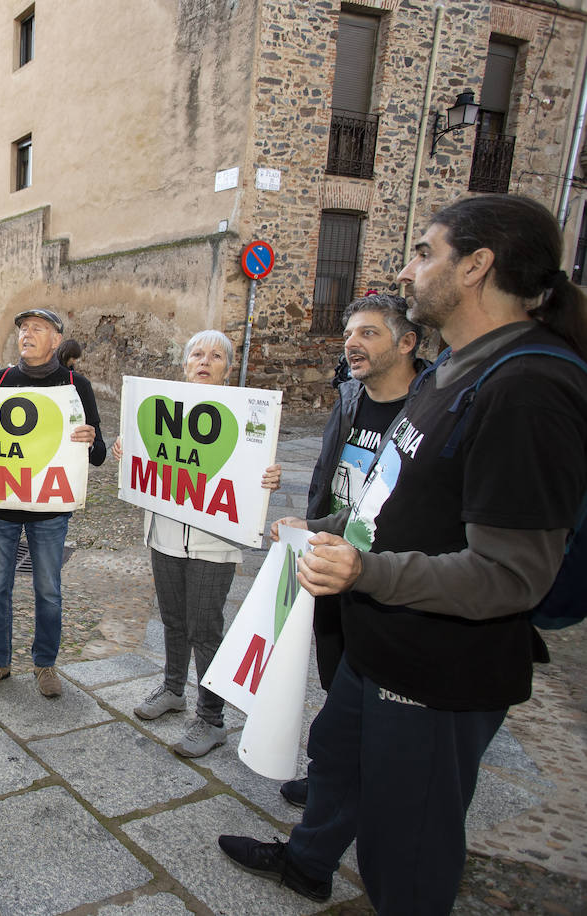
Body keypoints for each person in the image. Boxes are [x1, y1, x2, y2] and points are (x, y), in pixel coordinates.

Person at [219, 194, 587, 914]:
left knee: (405, 849)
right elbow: (392, 499)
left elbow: (511, 574)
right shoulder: (453, 372)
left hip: (438, 671)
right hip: (379, 644)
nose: (408, 267)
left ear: (477, 266)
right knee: (335, 761)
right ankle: (309, 862)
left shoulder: (528, 389)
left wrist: (366, 571)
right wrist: (324, 525)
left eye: (425, 252)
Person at [281, 293, 423, 807]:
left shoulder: (424, 411)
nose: (352, 344)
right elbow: (331, 481)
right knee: (335, 678)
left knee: (366, 693)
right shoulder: (349, 398)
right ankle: (333, 781)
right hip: (331, 556)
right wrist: (310, 522)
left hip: (380, 572)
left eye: (368, 333)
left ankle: (350, 788)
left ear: (406, 343)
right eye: (349, 333)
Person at [111, 330, 281, 758]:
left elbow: (251, 468)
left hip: (213, 542)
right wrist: (125, 448)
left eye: (217, 355)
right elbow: (144, 455)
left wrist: (267, 479)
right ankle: (172, 689)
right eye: (197, 354)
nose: (206, 361)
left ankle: (211, 718)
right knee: (172, 618)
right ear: (185, 363)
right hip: (164, 534)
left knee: (204, 628)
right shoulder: (159, 409)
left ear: (228, 367)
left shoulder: (246, 416)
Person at [0, 307, 106, 699]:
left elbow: (97, 453)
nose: (27, 334)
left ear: (55, 340)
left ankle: (45, 664)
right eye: (23, 329)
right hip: (1, 508)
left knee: (48, 590)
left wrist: (88, 438)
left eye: (38, 328)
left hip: (49, 508)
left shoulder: (75, 385)